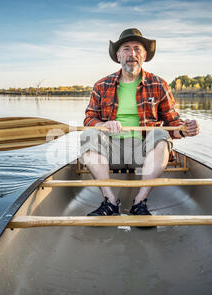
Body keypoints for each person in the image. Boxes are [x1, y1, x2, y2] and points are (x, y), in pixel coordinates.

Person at [80, 28, 199, 217]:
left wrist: (185, 129)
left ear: (144, 55)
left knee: (160, 134)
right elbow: (89, 118)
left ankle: (140, 202)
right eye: (126, 49)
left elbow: (172, 123)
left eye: (137, 49)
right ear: (118, 55)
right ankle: (110, 201)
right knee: (88, 134)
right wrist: (101, 124)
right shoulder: (101, 85)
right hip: (111, 152)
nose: (132, 54)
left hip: (145, 153)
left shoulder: (159, 84)